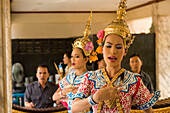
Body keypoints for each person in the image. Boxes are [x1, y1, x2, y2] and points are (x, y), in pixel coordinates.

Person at [71, 0, 160, 113]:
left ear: (125, 51)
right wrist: (95, 98)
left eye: (118, 47)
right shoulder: (90, 78)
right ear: (102, 49)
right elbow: (74, 108)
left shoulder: (133, 80)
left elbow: (149, 111)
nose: (113, 51)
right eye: (108, 46)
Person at [52, 11, 93, 113]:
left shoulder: (91, 77)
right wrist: (64, 92)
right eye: (71, 57)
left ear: (86, 59)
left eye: (77, 56)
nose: (73, 59)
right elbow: (54, 97)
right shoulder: (69, 77)